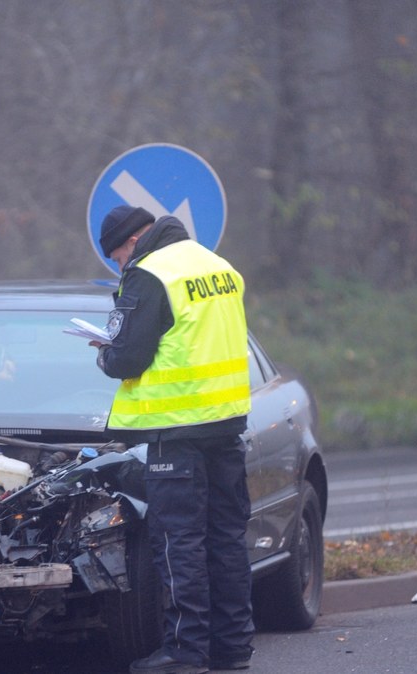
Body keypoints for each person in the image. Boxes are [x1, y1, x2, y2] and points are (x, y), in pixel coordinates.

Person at [92, 204, 255, 674]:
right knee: (225, 539)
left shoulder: (149, 273)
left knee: (179, 543)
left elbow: (126, 360)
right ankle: (232, 649)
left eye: (118, 258)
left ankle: (185, 652)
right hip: (225, 426)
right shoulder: (217, 265)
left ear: (129, 244)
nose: (122, 266)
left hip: (177, 433)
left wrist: (104, 354)